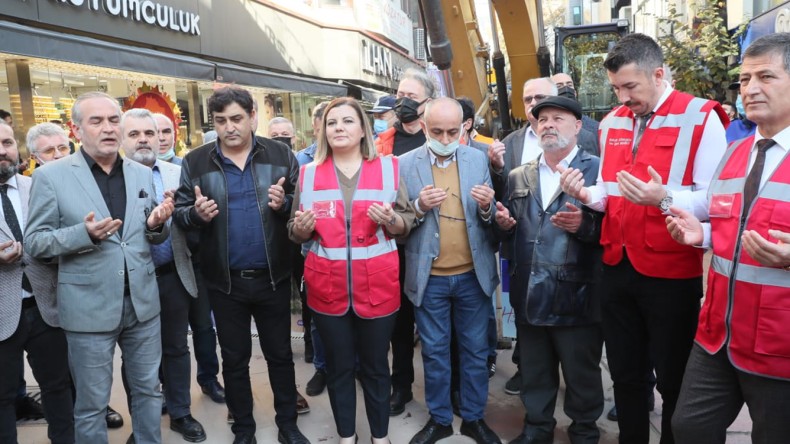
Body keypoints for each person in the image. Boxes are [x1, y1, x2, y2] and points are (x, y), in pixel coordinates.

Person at [559, 33, 728, 444]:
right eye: (616, 87)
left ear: (658, 73)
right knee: (625, 374)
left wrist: (664, 198)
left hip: (670, 270)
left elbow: (716, 199)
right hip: (616, 265)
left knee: (672, 378)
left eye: (630, 86)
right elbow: (610, 193)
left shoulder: (701, 117)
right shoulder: (614, 121)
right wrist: (587, 195)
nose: (622, 96)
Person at [24, 91, 174, 444]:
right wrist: (83, 234)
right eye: (96, 121)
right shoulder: (52, 177)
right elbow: (35, 243)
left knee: (150, 392)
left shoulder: (140, 172)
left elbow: (147, 234)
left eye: (113, 120)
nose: (108, 128)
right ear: (76, 130)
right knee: (91, 405)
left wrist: (156, 225)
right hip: (87, 310)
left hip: (143, 305)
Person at [666, 32, 790, 443]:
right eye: (744, 79)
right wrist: (698, 233)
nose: (751, 89)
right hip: (718, 333)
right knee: (689, 428)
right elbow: (731, 228)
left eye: (766, 76)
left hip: (779, 344)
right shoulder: (736, 153)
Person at [173, 86, 308, 444]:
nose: (229, 127)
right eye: (220, 121)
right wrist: (196, 215)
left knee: (280, 356)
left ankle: (288, 426)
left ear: (252, 116)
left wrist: (286, 202)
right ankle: (244, 429)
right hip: (225, 282)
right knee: (234, 361)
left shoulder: (280, 155)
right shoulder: (196, 161)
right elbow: (181, 215)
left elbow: (303, 207)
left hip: (274, 277)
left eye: (236, 118)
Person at [290, 96, 414, 444]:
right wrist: (301, 228)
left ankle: (380, 436)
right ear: (323, 131)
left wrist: (393, 221)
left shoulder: (389, 168)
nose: (338, 128)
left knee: (376, 368)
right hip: (327, 290)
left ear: (363, 130)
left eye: (347, 121)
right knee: (339, 369)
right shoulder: (309, 174)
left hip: (377, 288)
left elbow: (406, 221)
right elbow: (295, 230)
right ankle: (347, 436)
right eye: (332, 123)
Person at [495, 96, 604, 443]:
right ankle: (537, 429)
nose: (548, 125)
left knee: (581, 374)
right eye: (542, 120)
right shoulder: (518, 176)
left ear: (577, 127)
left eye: (558, 118)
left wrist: (585, 226)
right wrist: (504, 224)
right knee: (535, 372)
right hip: (529, 293)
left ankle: (584, 431)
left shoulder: (597, 170)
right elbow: (512, 232)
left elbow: (615, 231)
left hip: (578, 294)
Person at [400, 97, 501, 444]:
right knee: (435, 352)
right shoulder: (403, 164)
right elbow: (397, 223)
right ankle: (440, 419)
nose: (445, 138)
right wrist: (417, 206)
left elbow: (487, 220)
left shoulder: (477, 159)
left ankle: (473, 418)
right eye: (438, 131)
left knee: (475, 351)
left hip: (473, 276)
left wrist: (488, 207)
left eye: (453, 132)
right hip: (430, 279)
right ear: (424, 127)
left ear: (464, 128)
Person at [24, 121, 126, 429]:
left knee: (86, 363)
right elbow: (37, 241)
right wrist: (82, 235)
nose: (57, 155)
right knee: (58, 369)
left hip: (85, 288)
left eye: (62, 148)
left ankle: (96, 406)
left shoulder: (89, 179)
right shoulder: (35, 184)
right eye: (48, 150)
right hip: (39, 292)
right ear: (34, 157)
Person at [120, 108, 207, 443]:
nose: (143, 139)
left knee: (175, 348)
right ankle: (144, 421)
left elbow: (194, 222)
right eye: (135, 134)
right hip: (131, 280)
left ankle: (181, 413)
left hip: (173, 274)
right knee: (135, 353)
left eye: (150, 133)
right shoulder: (113, 177)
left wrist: (190, 213)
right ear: (123, 139)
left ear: (160, 138)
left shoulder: (178, 172)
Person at [0, 121, 74, 444]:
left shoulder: (38, 186)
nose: (2, 151)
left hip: (47, 305)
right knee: (1, 396)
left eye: (6, 142)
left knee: (59, 387)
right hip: (2, 312)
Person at [375, 68, 437, 416]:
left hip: (432, 243)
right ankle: (401, 386)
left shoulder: (439, 139)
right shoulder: (382, 142)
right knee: (399, 323)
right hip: (394, 243)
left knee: (434, 321)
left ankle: (445, 388)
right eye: (400, 95)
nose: (403, 102)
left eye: (411, 97)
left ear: (428, 102)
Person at [297, 101, 330, 397]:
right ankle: (322, 368)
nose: (335, 131)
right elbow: (293, 210)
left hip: (357, 259)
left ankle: (354, 366)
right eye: (329, 124)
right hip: (316, 255)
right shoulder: (303, 163)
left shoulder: (368, 164)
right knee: (319, 319)